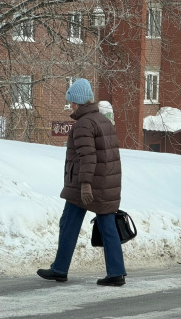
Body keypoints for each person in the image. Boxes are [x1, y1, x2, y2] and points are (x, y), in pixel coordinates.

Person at [37, 78, 127, 287]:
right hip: (106, 183)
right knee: (107, 227)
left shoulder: (84, 124)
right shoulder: (103, 120)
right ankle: (116, 272)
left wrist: (85, 184)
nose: (69, 105)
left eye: (71, 101)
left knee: (68, 223)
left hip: (85, 185)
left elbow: (88, 157)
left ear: (77, 102)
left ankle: (60, 268)